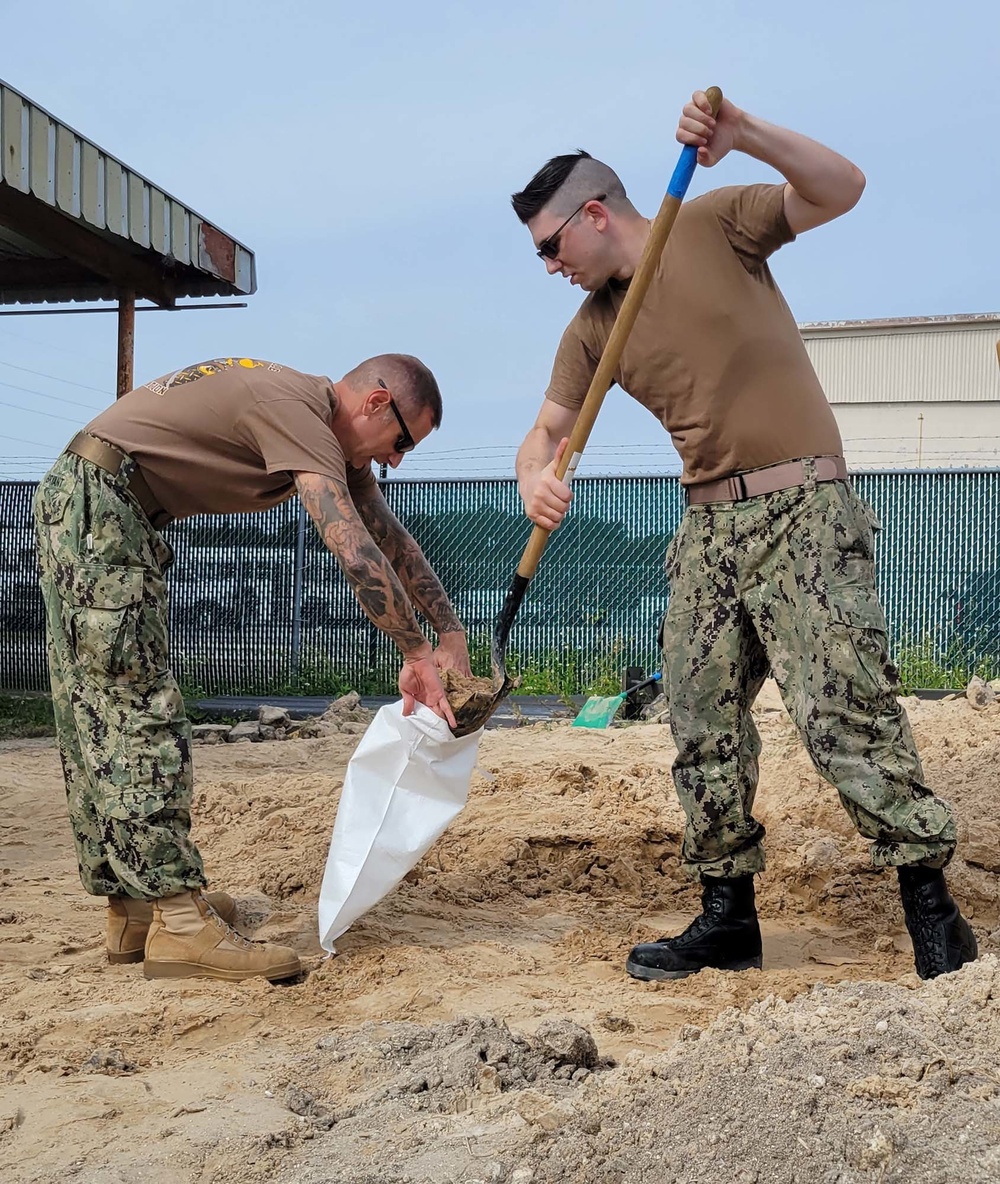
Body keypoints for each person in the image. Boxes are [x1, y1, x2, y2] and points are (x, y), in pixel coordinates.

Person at [510, 92, 977, 982]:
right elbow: (546, 433)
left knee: (843, 714)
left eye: (549, 246)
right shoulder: (591, 329)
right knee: (699, 717)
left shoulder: (715, 222)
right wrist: (534, 474)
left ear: (594, 214)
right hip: (707, 527)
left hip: (803, 508)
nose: (549, 266)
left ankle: (933, 911)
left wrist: (746, 136)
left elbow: (842, 186)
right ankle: (728, 917)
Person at [33, 353, 471, 983]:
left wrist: (449, 629)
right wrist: (413, 651)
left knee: (100, 712)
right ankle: (180, 924)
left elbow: (389, 538)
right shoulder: (299, 413)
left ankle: (136, 905)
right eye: (401, 441)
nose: (397, 460)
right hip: (101, 505)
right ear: (376, 403)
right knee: (135, 709)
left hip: (100, 502)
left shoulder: (321, 430)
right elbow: (348, 541)